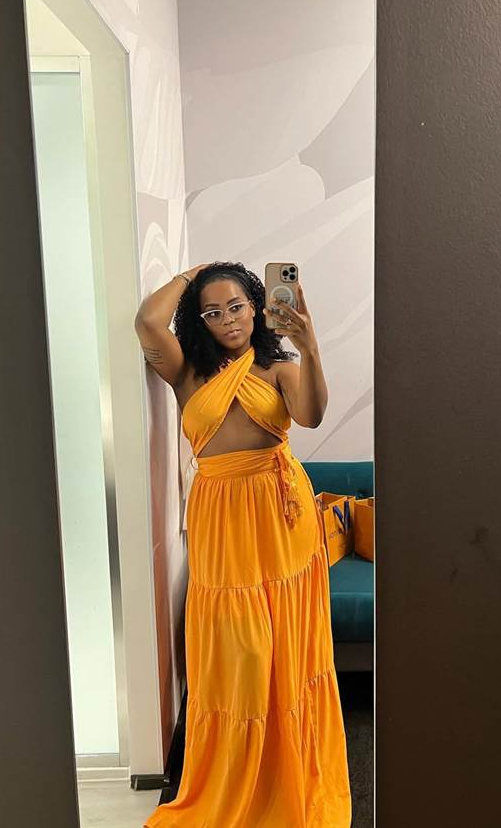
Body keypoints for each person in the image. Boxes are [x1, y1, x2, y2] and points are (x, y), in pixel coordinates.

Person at [134, 261, 352, 827]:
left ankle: (285, 769)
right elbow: (148, 321)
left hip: (281, 512)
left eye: (236, 306)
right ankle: (238, 774)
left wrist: (310, 345)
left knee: (285, 641)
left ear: (256, 307)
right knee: (243, 648)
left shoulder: (278, 367)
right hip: (220, 513)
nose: (228, 319)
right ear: (199, 320)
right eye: (213, 312)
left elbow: (311, 416)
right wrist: (197, 273)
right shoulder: (187, 373)